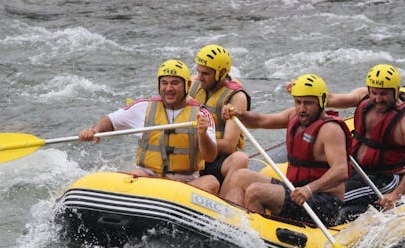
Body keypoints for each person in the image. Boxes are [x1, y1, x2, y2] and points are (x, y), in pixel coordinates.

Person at [221, 74, 353, 227]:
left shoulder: (330, 130)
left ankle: (258, 240)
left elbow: (341, 170)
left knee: (255, 191)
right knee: (240, 176)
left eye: (308, 103)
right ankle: (232, 227)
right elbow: (261, 120)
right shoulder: (294, 116)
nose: (302, 109)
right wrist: (239, 114)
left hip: (323, 202)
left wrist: (309, 189)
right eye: (298, 102)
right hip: (295, 190)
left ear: (322, 101)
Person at [79, 59, 220, 194]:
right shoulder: (143, 107)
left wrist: (203, 134)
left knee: (212, 182)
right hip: (148, 178)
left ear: (188, 85)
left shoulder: (202, 114)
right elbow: (111, 120)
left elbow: (210, 156)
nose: (169, 88)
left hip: (184, 184)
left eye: (175, 83)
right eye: (164, 83)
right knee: (125, 178)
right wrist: (95, 130)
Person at [330, 64, 405, 216]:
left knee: (328, 198)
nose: (378, 99)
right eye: (374, 93)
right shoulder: (364, 96)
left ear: (395, 90)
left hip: (384, 178)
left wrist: (396, 195)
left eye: (384, 94)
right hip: (355, 167)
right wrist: (306, 93)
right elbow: (331, 99)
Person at [190, 44, 251, 192]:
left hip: (217, 159)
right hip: (192, 155)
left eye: (205, 73)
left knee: (240, 158)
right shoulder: (192, 83)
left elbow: (229, 145)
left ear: (222, 72)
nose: (200, 77)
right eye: (198, 71)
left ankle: (225, 200)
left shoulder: (237, 97)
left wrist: (201, 142)